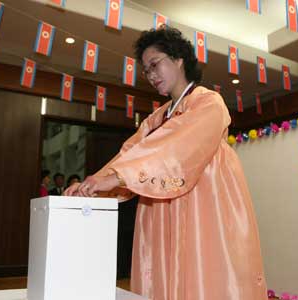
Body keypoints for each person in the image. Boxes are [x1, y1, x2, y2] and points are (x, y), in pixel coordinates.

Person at [64, 27, 267, 300]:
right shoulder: (155, 119)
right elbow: (130, 154)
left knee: (205, 273)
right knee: (163, 272)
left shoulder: (208, 102)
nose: (151, 76)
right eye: (146, 71)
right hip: (161, 205)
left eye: (155, 64)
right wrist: (94, 184)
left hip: (205, 203)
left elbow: (174, 148)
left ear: (179, 59)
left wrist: (117, 177)